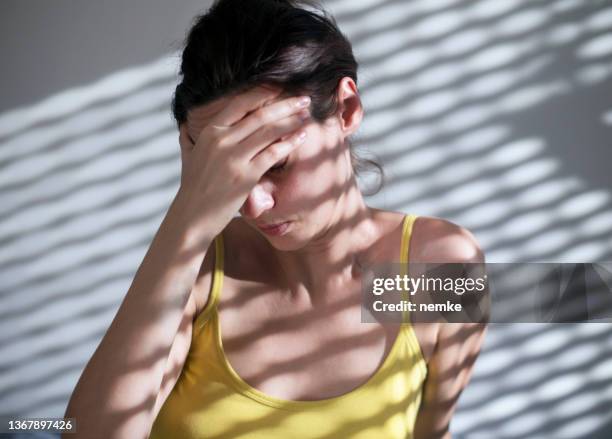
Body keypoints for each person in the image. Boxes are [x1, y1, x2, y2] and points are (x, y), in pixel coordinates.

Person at [64, 0, 488, 438]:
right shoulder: (200, 268)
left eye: (277, 164)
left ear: (346, 109)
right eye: (230, 172)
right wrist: (187, 216)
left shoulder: (436, 269)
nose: (251, 206)